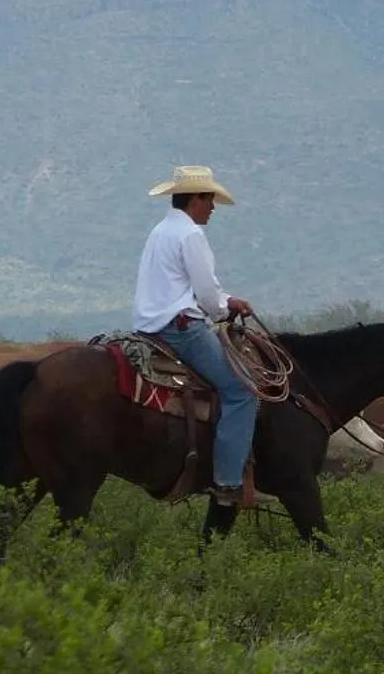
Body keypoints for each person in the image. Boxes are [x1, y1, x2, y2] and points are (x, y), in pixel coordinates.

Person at [133, 164, 257, 509]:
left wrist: (225, 300)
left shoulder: (161, 230)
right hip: (181, 329)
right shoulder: (190, 235)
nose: (214, 207)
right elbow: (205, 293)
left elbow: (198, 289)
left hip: (150, 325)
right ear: (196, 200)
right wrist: (223, 309)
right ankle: (228, 483)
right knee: (242, 391)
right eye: (210, 199)